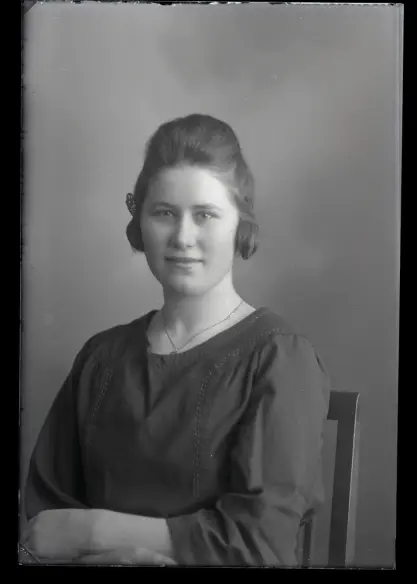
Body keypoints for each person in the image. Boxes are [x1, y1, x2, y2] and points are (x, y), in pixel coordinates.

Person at [21, 114, 330, 566]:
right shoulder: (101, 358)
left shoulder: (279, 359)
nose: (183, 237)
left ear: (239, 225)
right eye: (164, 213)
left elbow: (260, 545)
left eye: (205, 215)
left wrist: (96, 530)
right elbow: (46, 525)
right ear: (140, 223)